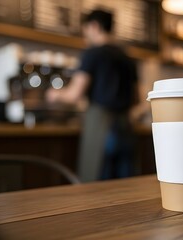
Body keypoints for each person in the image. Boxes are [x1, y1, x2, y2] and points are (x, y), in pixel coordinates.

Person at [46, 9, 138, 182]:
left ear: (94, 26)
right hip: (126, 126)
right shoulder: (127, 58)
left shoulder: (93, 53)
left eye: (85, 30)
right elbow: (138, 98)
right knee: (126, 186)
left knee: (96, 187)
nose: (85, 35)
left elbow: (74, 95)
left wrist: (54, 95)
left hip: (101, 127)